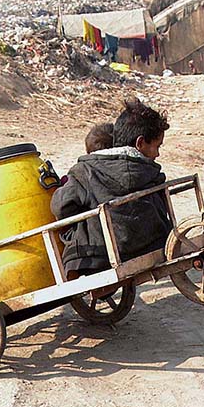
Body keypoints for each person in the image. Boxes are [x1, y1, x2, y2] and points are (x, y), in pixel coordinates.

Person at [50, 99, 172, 278]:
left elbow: (59, 207)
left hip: (100, 255)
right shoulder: (151, 172)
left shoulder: (85, 172)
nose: (157, 154)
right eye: (157, 146)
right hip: (155, 242)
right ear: (139, 144)